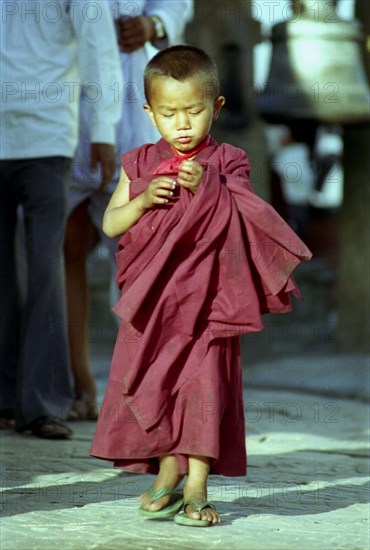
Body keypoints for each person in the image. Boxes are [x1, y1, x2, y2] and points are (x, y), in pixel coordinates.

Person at [90, 45, 312, 526]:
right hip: (155, 304)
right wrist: (145, 198)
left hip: (212, 303)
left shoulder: (230, 160)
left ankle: (197, 485)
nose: (182, 124)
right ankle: (169, 467)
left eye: (193, 111)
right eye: (169, 113)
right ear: (150, 113)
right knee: (159, 383)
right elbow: (111, 224)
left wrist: (209, 186)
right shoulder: (139, 162)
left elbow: (251, 216)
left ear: (217, 107)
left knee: (204, 387)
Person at [64, 0, 194, 421]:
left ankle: (142, 389)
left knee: (138, 256)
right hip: (63, 104)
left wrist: (154, 23)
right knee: (66, 250)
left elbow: (174, 4)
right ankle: (79, 383)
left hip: (131, 105)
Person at [0, 0, 123, 438]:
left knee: (44, 266)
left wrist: (105, 130)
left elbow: (99, 47)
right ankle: (4, 398)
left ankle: (44, 403)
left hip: (46, 136)